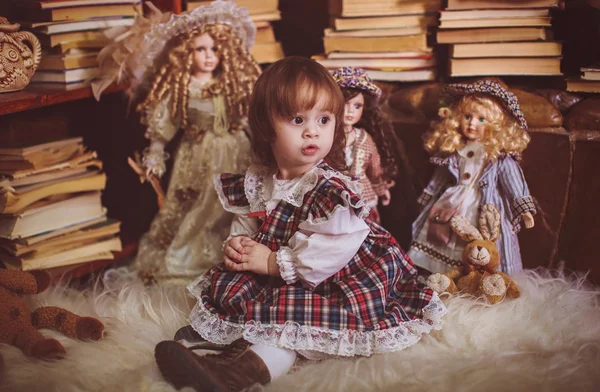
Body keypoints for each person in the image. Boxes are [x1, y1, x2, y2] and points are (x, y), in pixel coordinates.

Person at [154, 56, 447, 392]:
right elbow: (249, 222)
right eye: (297, 119)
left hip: (329, 277)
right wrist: (239, 247)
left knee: (288, 329)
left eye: (324, 119)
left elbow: (331, 249)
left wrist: (274, 262)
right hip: (278, 269)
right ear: (266, 127)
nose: (313, 131)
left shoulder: (329, 190)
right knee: (242, 298)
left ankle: (239, 374)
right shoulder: (259, 181)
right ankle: (218, 350)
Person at [94, 0, 262, 284]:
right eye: (200, 49)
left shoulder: (232, 83)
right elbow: (164, 125)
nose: (208, 57)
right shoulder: (183, 88)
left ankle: (236, 250)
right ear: (187, 52)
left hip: (236, 151)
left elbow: (246, 119)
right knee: (195, 204)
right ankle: (190, 254)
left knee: (232, 207)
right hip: (199, 155)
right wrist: (156, 154)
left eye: (214, 49)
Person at [407, 80, 536, 275]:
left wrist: (523, 209)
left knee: (484, 244)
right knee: (441, 239)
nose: (472, 123)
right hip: (452, 201)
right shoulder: (454, 150)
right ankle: (446, 274)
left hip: (485, 207)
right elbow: (440, 178)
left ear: (495, 125)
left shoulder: (498, 157)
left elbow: (513, 183)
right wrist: (426, 196)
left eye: (481, 119)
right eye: (467, 116)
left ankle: (482, 276)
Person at [331, 66, 397, 224]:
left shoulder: (364, 138)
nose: (350, 111)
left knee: (366, 232)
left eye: (357, 106)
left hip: (364, 196)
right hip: (334, 196)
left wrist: (381, 190)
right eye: (344, 104)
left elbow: (374, 169)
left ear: (365, 108)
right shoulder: (327, 136)